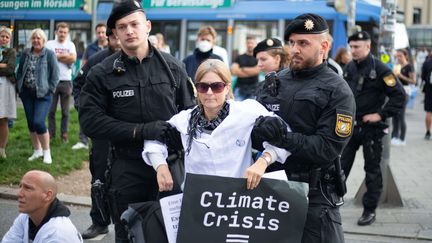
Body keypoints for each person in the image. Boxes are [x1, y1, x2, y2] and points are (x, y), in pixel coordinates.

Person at [78, 1, 196, 241]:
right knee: (129, 235)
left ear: (148, 27)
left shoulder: (174, 68)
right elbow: (90, 122)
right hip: (126, 168)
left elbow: (191, 115)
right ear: (115, 34)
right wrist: (141, 131)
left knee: (169, 235)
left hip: (170, 168)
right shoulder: (102, 73)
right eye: (122, 27)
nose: (129, 31)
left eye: (134, 24)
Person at [253, 13, 356, 243]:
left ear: (324, 46)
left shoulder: (337, 90)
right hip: (271, 188)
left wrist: (283, 138)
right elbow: (252, 134)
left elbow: (326, 148)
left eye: (303, 43)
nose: (295, 49)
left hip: (314, 195)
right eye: (292, 43)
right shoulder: (275, 82)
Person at [142, 59, 290, 191]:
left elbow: (283, 133)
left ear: (227, 87)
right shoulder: (185, 119)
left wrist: (263, 161)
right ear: (196, 89)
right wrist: (161, 166)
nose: (209, 92)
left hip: (237, 198)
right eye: (203, 87)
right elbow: (154, 138)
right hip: (198, 200)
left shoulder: (246, 111)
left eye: (217, 86)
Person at [341, 30, 405, 226]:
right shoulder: (349, 67)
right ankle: (330, 204)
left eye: (357, 47)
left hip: (371, 128)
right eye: (351, 47)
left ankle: (369, 210)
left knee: (372, 171)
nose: (353, 50)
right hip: (350, 127)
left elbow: (399, 96)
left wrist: (381, 115)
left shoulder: (381, 69)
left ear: (368, 46)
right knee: (339, 168)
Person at [73, 27, 121, 240]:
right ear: (108, 38)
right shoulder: (97, 61)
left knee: (127, 177)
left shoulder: (142, 60)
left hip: (130, 131)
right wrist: (85, 111)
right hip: (102, 130)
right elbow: (78, 85)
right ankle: (99, 221)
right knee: (99, 176)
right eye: (113, 36)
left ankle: (126, 222)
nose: (118, 40)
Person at [2, 170, 83, 243]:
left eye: (28, 188)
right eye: (20, 186)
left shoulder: (58, 234)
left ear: (48, 196)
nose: (19, 194)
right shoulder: (26, 216)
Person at [16, 28, 59, 164]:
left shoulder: (49, 54)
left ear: (43, 40)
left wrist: (50, 90)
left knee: (38, 122)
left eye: (38, 38)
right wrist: (20, 88)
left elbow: (55, 75)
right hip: (27, 93)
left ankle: (47, 152)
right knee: (30, 123)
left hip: (43, 94)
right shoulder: (26, 53)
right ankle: (37, 150)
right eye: (34, 38)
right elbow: (20, 71)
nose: (36, 40)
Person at [72, 23, 108, 151]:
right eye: (99, 32)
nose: (101, 35)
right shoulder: (91, 48)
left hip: (107, 87)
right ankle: (83, 140)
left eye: (103, 32)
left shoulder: (113, 47)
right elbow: (84, 64)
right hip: (92, 85)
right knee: (86, 111)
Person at [46, 22, 77, 143]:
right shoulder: (49, 44)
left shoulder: (70, 44)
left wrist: (56, 56)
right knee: (51, 111)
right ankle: (51, 134)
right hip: (52, 81)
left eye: (65, 32)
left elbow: (73, 58)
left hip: (66, 81)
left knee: (65, 111)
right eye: (60, 31)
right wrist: (65, 56)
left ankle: (64, 134)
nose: (62, 34)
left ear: (67, 33)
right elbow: (48, 58)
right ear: (56, 32)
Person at [391, 49, 416, 146]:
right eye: (397, 56)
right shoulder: (397, 66)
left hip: (405, 91)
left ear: (405, 56)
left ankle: (402, 138)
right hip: (396, 91)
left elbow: (413, 81)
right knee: (395, 115)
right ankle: (395, 136)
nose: (398, 58)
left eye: (400, 56)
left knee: (401, 115)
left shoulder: (409, 66)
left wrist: (401, 76)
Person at [0, 26, 16, 159]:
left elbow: (10, 69)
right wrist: (3, 65)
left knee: (3, 119)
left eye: (7, 37)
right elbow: (6, 66)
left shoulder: (11, 51)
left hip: (5, 87)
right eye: (2, 36)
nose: (4, 39)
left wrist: (5, 66)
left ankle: (2, 150)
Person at [230, 36, 260, 101]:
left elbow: (256, 71)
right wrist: (251, 71)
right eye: (248, 43)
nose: (250, 45)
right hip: (239, 89)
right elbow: (233, 71)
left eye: (252, 43)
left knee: (252, 110)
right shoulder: (239, 57)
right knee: (237, 109)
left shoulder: (258, 58)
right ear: (245, 44)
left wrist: (242, 69)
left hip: (254, 89)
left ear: (256, 44)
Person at [422, 51, 432, 140]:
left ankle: (428, 132)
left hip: (429, 90)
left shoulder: (427, 63)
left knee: (429, 112)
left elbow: (423, 77)